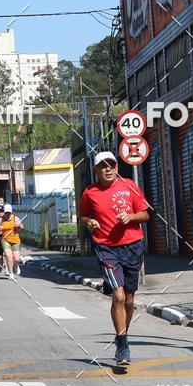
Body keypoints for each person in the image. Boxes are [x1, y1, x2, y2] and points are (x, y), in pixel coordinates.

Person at [79, 151, 151, 366]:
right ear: (96, 170)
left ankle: (122, 334)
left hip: (132, 246)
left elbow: (146, 215)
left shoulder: (129, 185)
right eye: (103, 166)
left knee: (129, 299)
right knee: (118, 296)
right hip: (106, 248)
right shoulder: (90, 193)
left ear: (117, 167)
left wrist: (131, 217)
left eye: (111, 165)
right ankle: (122, 344)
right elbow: (83, 215)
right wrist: (88, 222)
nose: (108, 169)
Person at [0, 204, 24, 278]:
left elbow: (22, 227)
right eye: (6, 213)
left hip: (15, 240)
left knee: (17, 259)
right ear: (4, 212)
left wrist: (19, 226)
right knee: (9, 256)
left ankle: (16, 265)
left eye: (9, 213)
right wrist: (0, 228)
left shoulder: (15, 218)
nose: (8, 214)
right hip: (5, 240)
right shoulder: (1, 219)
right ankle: (11, 273)